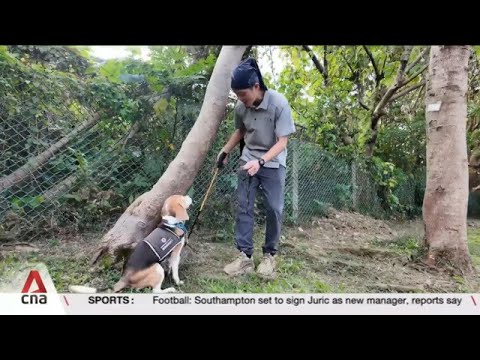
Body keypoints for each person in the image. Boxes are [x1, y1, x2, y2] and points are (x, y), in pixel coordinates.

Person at [217, 57, 296, 278]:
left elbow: (282, 142)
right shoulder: (242, 107)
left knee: (274, 208)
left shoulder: (279, 104)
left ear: (256, 87)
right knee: (244, 207)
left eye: (243, 94)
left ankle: (270, 256)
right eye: (237, 95)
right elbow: (240, 131)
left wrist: (261, 162)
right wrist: (225, 151)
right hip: (248, 159)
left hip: (272, 163)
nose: (240, 99)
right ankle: (245, 258)